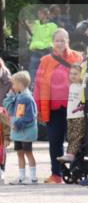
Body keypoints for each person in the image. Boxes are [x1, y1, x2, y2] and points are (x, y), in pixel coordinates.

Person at [33, 29, 83, 183]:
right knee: (55, 141)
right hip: (54, 107)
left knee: (77, 140)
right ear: (53, 42)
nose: (60, 43)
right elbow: (38, 85)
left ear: (68, 40)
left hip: (75, 106)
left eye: (63, 40)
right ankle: (57, 174)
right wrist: (38, 106)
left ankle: (76, 171)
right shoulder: (46, 61)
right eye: (57, 40)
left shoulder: (78, 57)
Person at [4, 71, 38, 184]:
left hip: (25, 132)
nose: (12, 86)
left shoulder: (27, 98)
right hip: (19, 132)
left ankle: (33, 177)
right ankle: (22, 176)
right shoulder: (19, 96)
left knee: (28, 153)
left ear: (20, 84)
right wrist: (10, 96)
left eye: (14, 84)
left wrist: (17, 124)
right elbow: (9, 108)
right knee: (20, 153)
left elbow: (30, 116)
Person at [58, 58, 85, 163]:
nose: (72, 76)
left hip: (79, 116)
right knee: (70, 136)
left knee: (76, 136)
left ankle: (71, 154)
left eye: (75, 74)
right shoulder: (72, 86)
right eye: (71, 73)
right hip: (70, 116)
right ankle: (71, 153)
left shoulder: (82, 87)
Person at [25, 7, 57, 89]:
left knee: (47, 71)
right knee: (33, 70)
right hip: (36, 51)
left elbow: (54, 38)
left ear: (45, 14)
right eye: (38, 13)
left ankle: (47, 87)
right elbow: (28, 25)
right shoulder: (36, 24)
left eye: (40, 13)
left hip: (47, 51)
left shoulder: (52, 26)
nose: (38, 15)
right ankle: (32, 88)